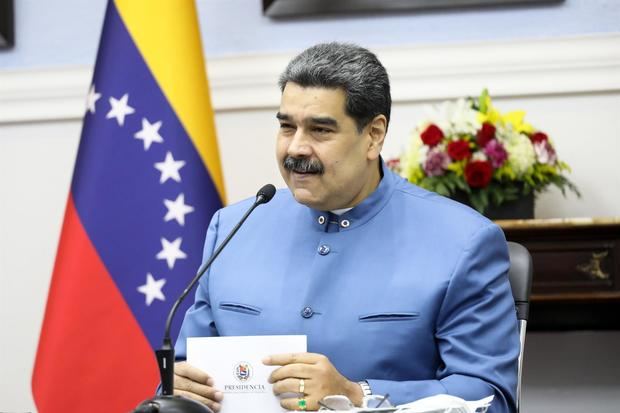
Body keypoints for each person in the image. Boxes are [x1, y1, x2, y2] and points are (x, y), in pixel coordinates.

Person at [172, 42, 519, 413]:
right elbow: (186, 372)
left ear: (374, 135)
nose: (297, 148)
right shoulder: (232, 228)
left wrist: (358, 394)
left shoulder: (462, 241)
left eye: (320, 130)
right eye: (287, 127)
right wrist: (179, 386)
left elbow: (489, 398)